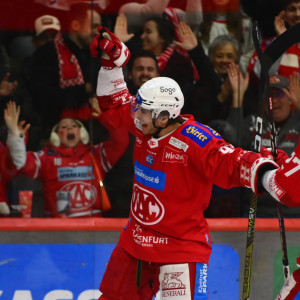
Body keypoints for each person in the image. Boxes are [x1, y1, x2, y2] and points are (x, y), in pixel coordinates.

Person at [90, 26, 286, 299]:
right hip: (136, 240)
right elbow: (114, 102)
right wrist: (112, 64)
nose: (136, 115)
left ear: (163, 116)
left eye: (143, 111)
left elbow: (231, 160)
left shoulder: (195, 139)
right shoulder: (143, 124)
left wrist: (266, 173)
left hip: (180, 247)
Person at [4, 100, 129, 217]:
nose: (69, 128)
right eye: (63, 127)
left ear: (82, 133)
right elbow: (21, 163)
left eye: (74, 126)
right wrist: (15, 134)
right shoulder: (46, 157)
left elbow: (121, 141)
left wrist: (105, 116)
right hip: (59, 229)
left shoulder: (96, 154)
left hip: (93, 227)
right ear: (56, 136)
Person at [26, 3, 102, 144]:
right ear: (75, 26)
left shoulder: (97, 55)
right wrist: (82, 91)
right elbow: (41, 98)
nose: (98, 31)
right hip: (55, 134)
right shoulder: (46, 55)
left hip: (94, 133)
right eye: (93, 26)